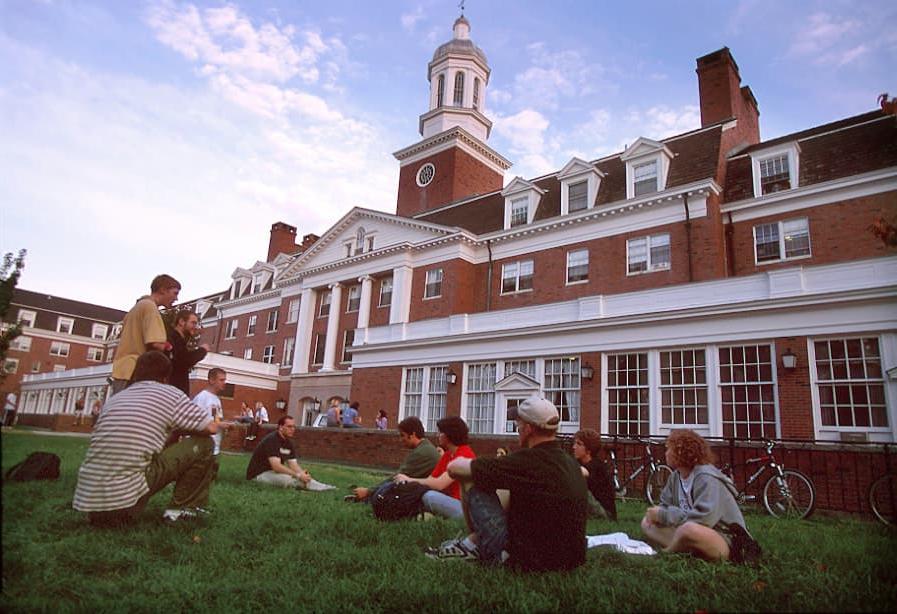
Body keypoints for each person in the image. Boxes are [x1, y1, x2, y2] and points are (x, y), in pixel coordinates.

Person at [427, 397, 588, 572]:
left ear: (527, 429)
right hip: (571, 560)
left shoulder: (525, 461)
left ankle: (471, 545)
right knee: (507, 487)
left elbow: (454, 468)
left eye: (518, 424)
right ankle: (472, 543)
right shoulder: (570, 463)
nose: (516, 429)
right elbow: (584, 473)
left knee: (471, 477)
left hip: (528, 562)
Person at [72, 351, 217, 525]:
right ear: (165, 377)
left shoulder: (115, 399)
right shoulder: (171, 394)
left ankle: (104, 512)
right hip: (124, 503)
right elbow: (211, 427)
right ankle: (180, 511)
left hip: (90, 503)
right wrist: (181, 427)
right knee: (204, 443)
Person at [641, 429, 752, 562]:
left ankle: (668, 552)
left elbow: (704, 520)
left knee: (689, 530)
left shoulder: (706, 477)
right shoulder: (675, 477)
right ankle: (687, 550)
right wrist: (658, 515)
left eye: (669, 449)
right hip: (687, 529)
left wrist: (663, 515)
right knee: (646, 523)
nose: (666, 453)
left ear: (680, 453)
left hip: (724, 537)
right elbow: (665, 506)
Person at [394, 416, 476, 520]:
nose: (438, 435)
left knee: (429, 496)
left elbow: (439, 484)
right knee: (419, 493)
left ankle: (428, 514)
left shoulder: (464, 455)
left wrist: (409, 479)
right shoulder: (448, 455)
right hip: (450, 500)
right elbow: (432, 479)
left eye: (441, 433)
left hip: (465, 508)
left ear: (449, 435)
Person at [110, 275, 180, 395]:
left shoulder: (136, 309)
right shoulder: (150, 307)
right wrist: (170, 347)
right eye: (175, 293)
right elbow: (156, 343)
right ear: (162, 290)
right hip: (135, 371)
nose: (176, 298)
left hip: (122, 370)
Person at [346, 416, 440, 503]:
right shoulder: (426, 447)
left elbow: (396, 479)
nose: (401, 439)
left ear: (413, 434)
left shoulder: (421, 452)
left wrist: (368, 491)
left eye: (402, 435)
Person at [245, 416, 335, 491]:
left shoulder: (288, 443)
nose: (292, 429)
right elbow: (276, 466)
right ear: (280, 427)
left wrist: (302, 474)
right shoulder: (272, 440)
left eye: (294, 427)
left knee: (301, 478)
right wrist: (298, 475)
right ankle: (315, 488)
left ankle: (325, 487)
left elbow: (293, 465)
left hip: (272, 472)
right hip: (259, 474)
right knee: (288, 479)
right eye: (289, 426)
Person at [572, 428, 617, 521]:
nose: (574, 447)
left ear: (589, 450)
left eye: (579, 444)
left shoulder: (597, 466)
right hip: (591, 510)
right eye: (575, 443)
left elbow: (581, 472)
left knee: (578, 485)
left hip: (604, 514)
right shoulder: (579, 463)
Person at [192, 368, 227, 475]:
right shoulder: (202, 398)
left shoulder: (217, 399)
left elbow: (217, 419)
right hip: (203, 444)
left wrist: (226, 426)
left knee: (211, 476)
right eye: (221, 380)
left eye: (224, 380)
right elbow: (196, 421)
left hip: (215, 445)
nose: (224, 383)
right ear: (211, 380)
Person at [167, 310, 210, 395]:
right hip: (173, 391)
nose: (195, 327)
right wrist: (202, 350)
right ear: (182, 322)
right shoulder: (173, 339)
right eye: (193, 323)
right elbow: (185, 360)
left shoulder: (179, 340)